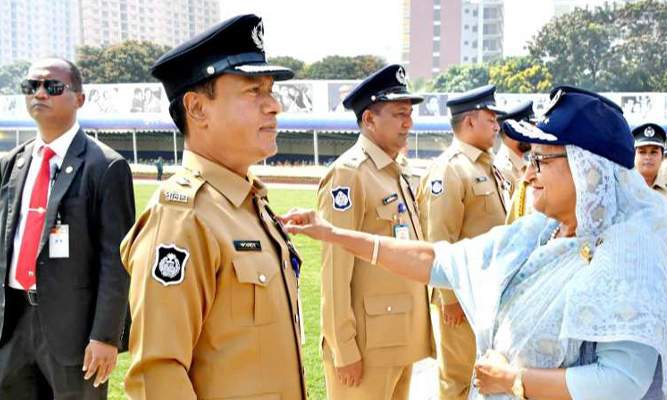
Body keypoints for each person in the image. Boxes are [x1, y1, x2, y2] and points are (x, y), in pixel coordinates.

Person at [281, 86, 667, 400]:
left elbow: (622, 381)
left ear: (589, 170)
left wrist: (514, 381)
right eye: (530, 159)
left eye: (542, 161)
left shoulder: (630, 254)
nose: (528, 175)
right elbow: (440, 259)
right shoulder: (538, 231)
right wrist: (334, 235)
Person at [119, 14, 306, 400]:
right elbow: (158, 374)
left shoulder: (249, 204)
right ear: (198, 109)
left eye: (270, 91)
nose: (274, 106)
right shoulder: (182, 216)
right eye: (254, 91)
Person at [0, 57, 134, 399]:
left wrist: (106, 335)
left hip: (73, 332)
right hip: (13, 323)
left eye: (52, 86)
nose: (39, 93)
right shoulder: (11, 164)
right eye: (31, 86)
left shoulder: (105, 166)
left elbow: (116, 262)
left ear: (79, 99)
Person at [317, 64, 432, 400]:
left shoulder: (395, 172)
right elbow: (335, 271)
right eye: (399, 114)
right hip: (366, 349)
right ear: (369, 119)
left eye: (409, 114)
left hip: (398, 340)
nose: (408, 123)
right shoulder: (349, 175)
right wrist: (343, 348)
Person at [416, 84, 508, 400]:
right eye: (491, 118)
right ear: (468, 122)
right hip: (462, 299)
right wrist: (448, 297)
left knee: (485, 378)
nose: (497, 125)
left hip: (488, 295)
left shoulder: (487, 165)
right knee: (458, 380)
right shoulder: (450, 169)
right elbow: (439, 238)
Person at [495, 100, 534, 198]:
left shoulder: (523, 164)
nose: (533, 134)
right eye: (528, 129)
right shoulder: (503, 170)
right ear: (511, 132)